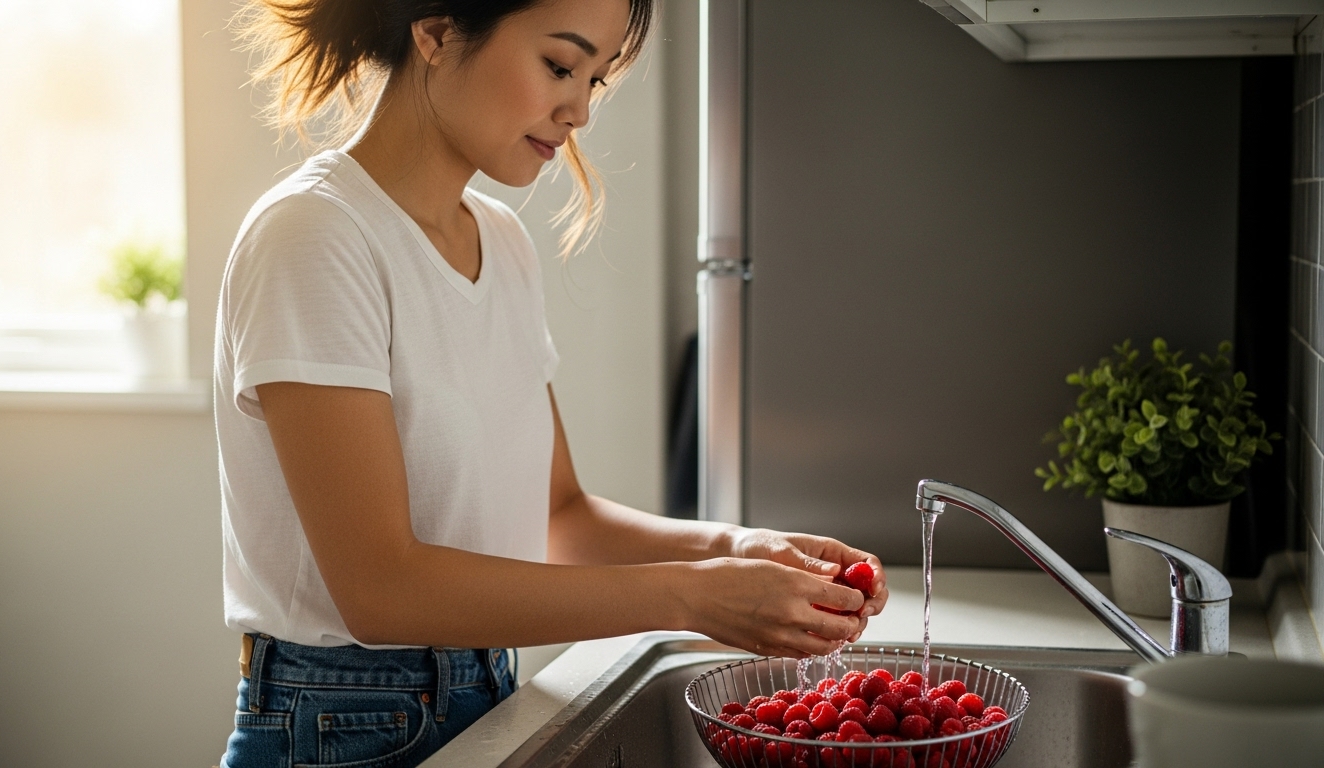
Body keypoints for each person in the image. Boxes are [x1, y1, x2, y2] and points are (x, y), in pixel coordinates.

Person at [216, 0, 889, 765]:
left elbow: (559, 516)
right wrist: (695, 595)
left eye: (595, 81)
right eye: (560, 66)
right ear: (435, 30)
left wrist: (741, 548)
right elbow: (380, 590)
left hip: (491, 689)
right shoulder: (314, 235)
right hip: (340, 721)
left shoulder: (501, 241)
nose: (580, 111)